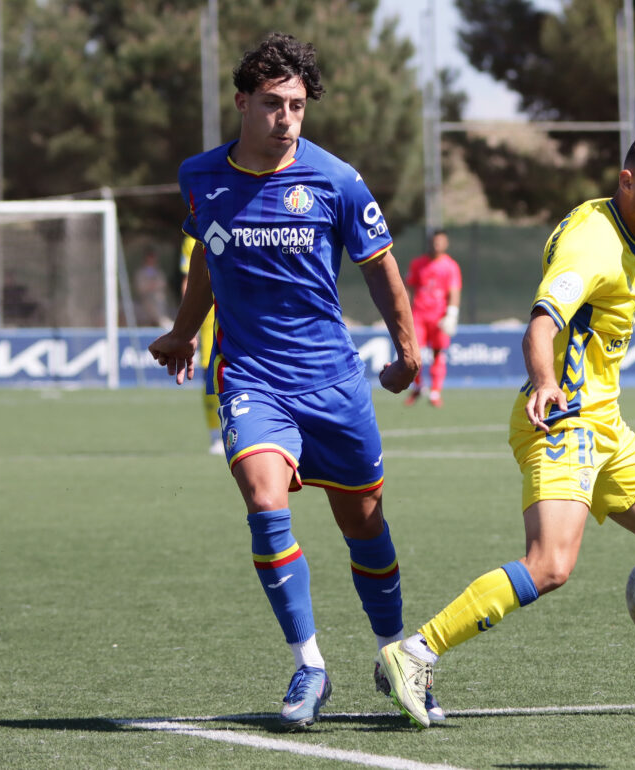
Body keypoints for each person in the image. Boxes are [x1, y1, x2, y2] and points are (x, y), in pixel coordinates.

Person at [377, 131, 635, 728]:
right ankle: (415, 652)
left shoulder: (630, 223)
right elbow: (541, 325)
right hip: (562, 421)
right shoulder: (594, 246)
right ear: (626, 182)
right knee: (549, 565)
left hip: (604, 425)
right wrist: (545, 381)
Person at [148, 32, 429, 730]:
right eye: (273, 104)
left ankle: (396, 655)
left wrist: (408, 349)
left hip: (333, 383)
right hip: (251, 377)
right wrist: (185, 333)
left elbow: (382, 269)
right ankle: (309, 664)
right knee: (263, 498)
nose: (286, 120)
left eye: (297, 107)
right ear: (243, 102)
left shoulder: (337, 180)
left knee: (366, 529)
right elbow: (208, 261)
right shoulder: (200, 177)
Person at [404, 230, 462, 407]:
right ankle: (419, 386)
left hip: (439, 317)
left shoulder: (451, 266)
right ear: (430, 243)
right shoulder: (417, 264)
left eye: (441, 242)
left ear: (446, 244)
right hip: (419, 315)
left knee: (438, 353)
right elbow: (408, 288)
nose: (437, 245)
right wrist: (403, 311)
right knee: (414, 353)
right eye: (435, 242)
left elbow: (454, 292)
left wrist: (451, 314)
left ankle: (435, 392)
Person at [179, 233, 223, 455]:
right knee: (209, 374)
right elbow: (188, 280)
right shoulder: (192, 239)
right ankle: (215, 435)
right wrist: (187, 323)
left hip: (233, 309)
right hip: (207, 317)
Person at [134, 247, 171, 327]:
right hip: (145, 301)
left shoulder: (159, 272)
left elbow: (163, 284)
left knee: (159, 299)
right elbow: (140, 288)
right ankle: (162, 321)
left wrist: (153, 285)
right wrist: (150, 285)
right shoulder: (140, 273)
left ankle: (162, 321)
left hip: (158, 299)